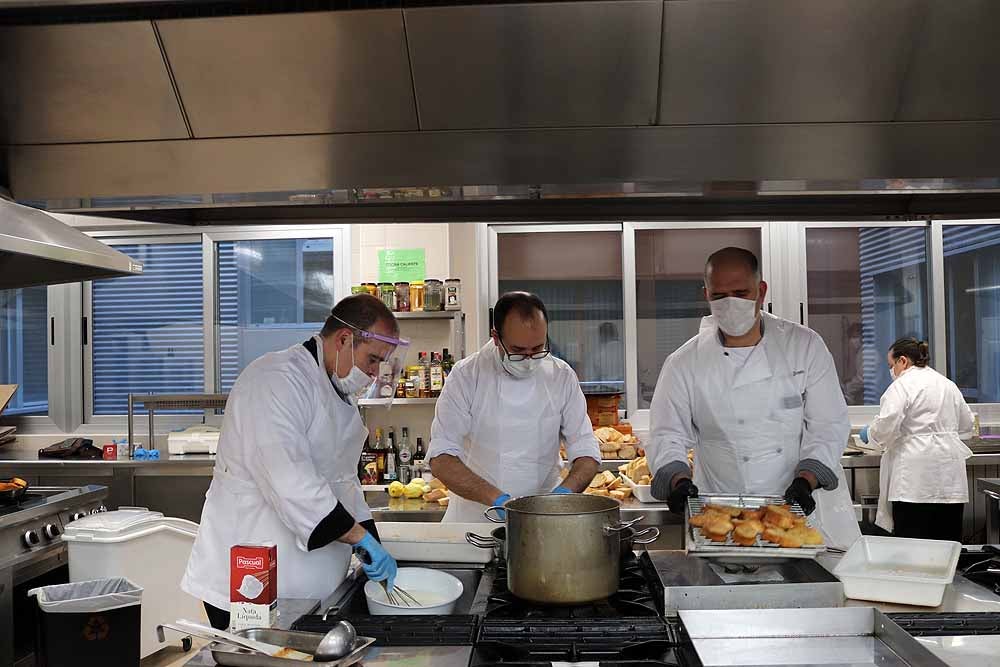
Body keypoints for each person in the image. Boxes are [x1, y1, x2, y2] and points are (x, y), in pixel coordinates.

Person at [182, 294, 403, 629]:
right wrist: (358, 536)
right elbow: (290, 481)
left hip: (307, 580)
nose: (373, 374)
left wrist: (368, 536)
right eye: (372, 360)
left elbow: (341, 478)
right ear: (344, 339)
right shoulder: (276, 378)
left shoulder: (336, 391)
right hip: (250, 573)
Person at [648, 247, 860, 551]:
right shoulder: (684, 362)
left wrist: (806, 480)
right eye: (719, 295)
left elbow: (828, 425)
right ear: (706, 294)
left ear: (761, 292)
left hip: (801, 509)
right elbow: (667, 433)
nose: (730, 303)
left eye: (740, 292)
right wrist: (677, 480)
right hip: (722, 515)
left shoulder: (804, 346)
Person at [428, 291, 601, 522]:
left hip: (543, 519)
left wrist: (562, 497)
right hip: (475, 520)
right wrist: (498, 500)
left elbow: (585, 449)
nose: (529, 360)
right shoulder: (466, 376)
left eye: (538, 349)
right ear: (496, 338)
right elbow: (441, 457)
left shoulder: (561, 376)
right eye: (518, 351)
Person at [859, 338, 975, 541]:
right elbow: (967, 425)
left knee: (914, 546)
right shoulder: (947, 385)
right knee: (946, 545)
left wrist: (870, 433)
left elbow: (887, 424)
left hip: (913, 481)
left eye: (891, 365)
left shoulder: (902, 386)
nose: (891, 370)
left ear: (902, 361)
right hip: (949, 480)